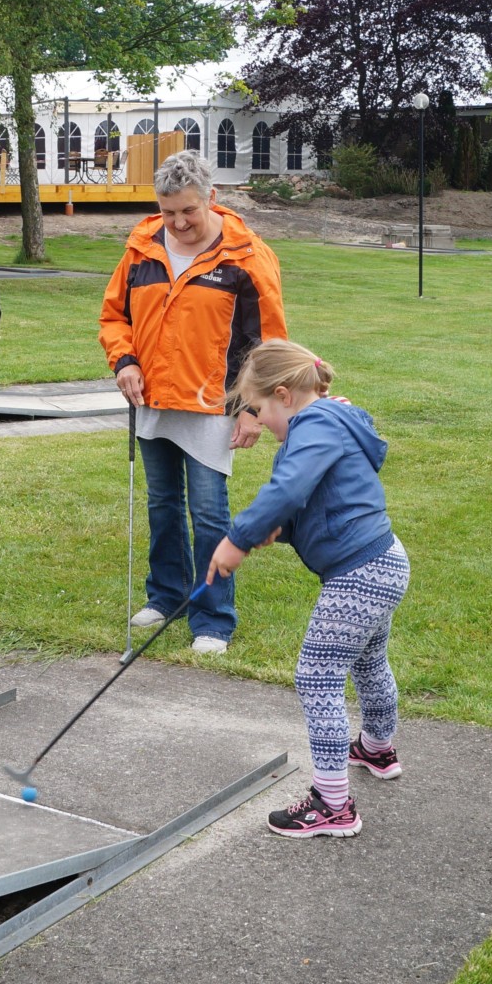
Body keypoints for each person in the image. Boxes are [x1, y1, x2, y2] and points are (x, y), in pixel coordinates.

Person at [207, 342, 407, 837]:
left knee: (317, 677)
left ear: (283, 396)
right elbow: (322, 497)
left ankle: (333, 804)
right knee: (368, 661)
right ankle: (378, 749)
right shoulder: (331, 422)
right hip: (384, 561)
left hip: (357, 573)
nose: (261, 422)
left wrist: (238, 539)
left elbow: (289, 490)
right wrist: (284, 528)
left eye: (258, 410)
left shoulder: (313, 424)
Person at [99, 150, 286, 654]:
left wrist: (252, 408)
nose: (178, 223)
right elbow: (114, 317)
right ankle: (166, 596)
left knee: (208, 514)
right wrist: (126, 363)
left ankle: (213, 618)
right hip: (153, 399)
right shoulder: (140, 248)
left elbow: (267, 343)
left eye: (189, 211)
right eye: (168, 212)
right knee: (162, 505)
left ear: (212, 199)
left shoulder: (246, 256)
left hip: (214, 405)